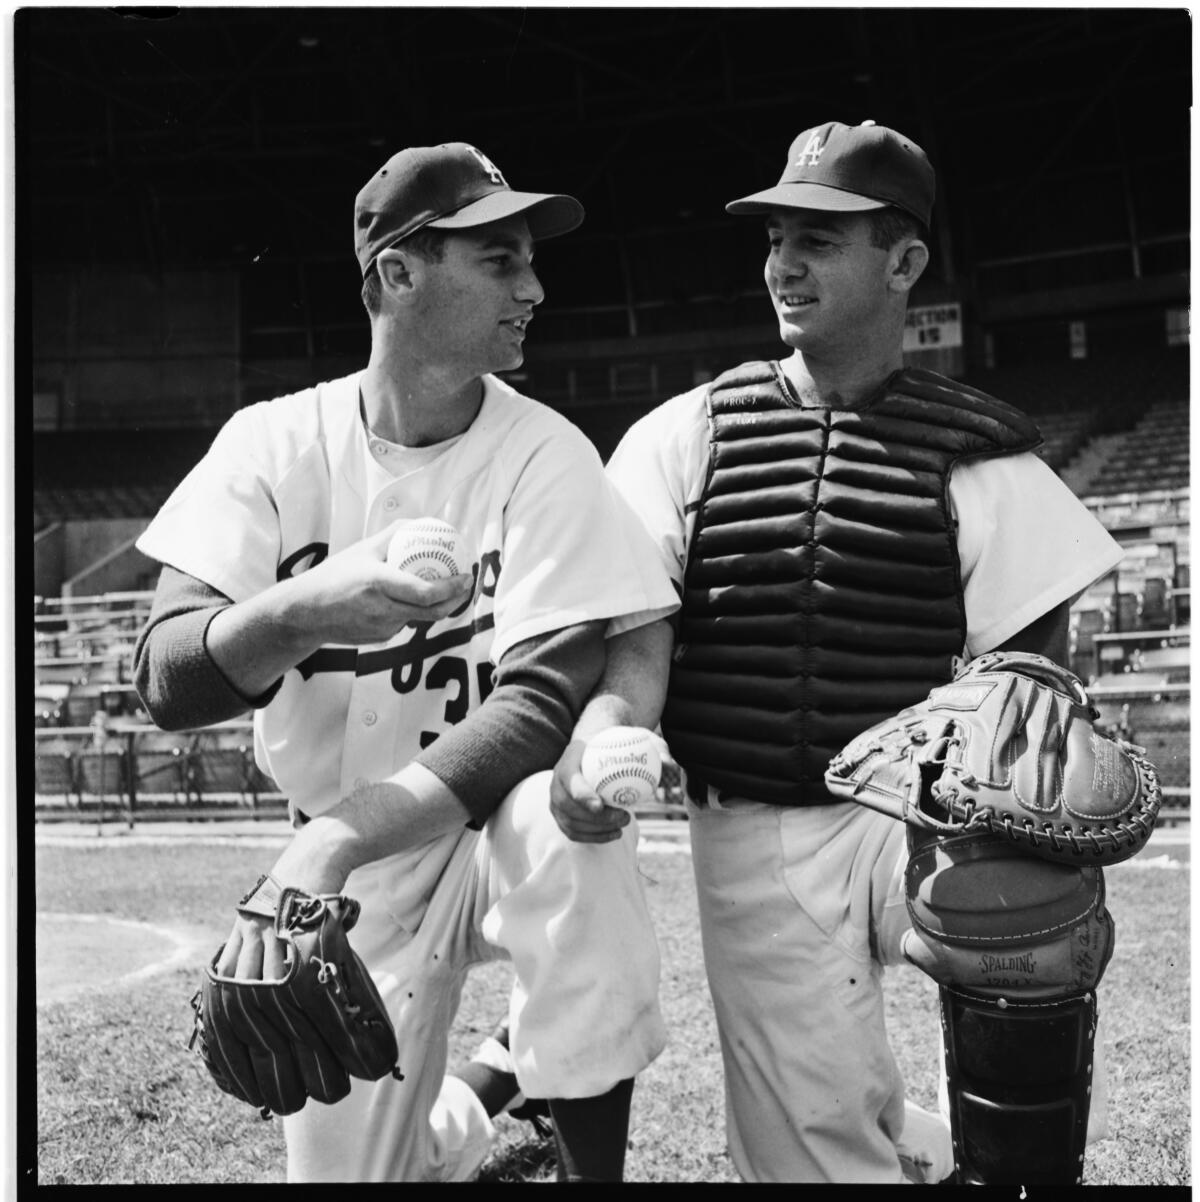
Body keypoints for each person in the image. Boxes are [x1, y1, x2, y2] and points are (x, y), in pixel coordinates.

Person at [549, 120, 1125, 1183]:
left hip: (908, 815)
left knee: (1036, 908)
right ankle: (897, 1149)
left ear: (905, 262)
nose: (784, 262)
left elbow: (1040, 636)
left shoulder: (973, 447)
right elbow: (631, 627)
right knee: (810, 1158)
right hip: (757, 821)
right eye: (776, 236)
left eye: (821, 236)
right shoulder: (689, 434)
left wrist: (1019, 730)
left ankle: (1019, 1165)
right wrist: (609, 729)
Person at [132, 142, 679, 1183]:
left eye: (529, 261)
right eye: (501, 260)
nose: (536, 285)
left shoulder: (544, 447)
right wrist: (304, 606)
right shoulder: (272, 442)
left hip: (486, 829)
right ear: (398, 273)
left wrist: (335, 837)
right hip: (353, 876)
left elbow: (541, 700)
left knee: (570, 838)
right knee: (376, 1167)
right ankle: (481, 1088)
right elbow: (165, 676)